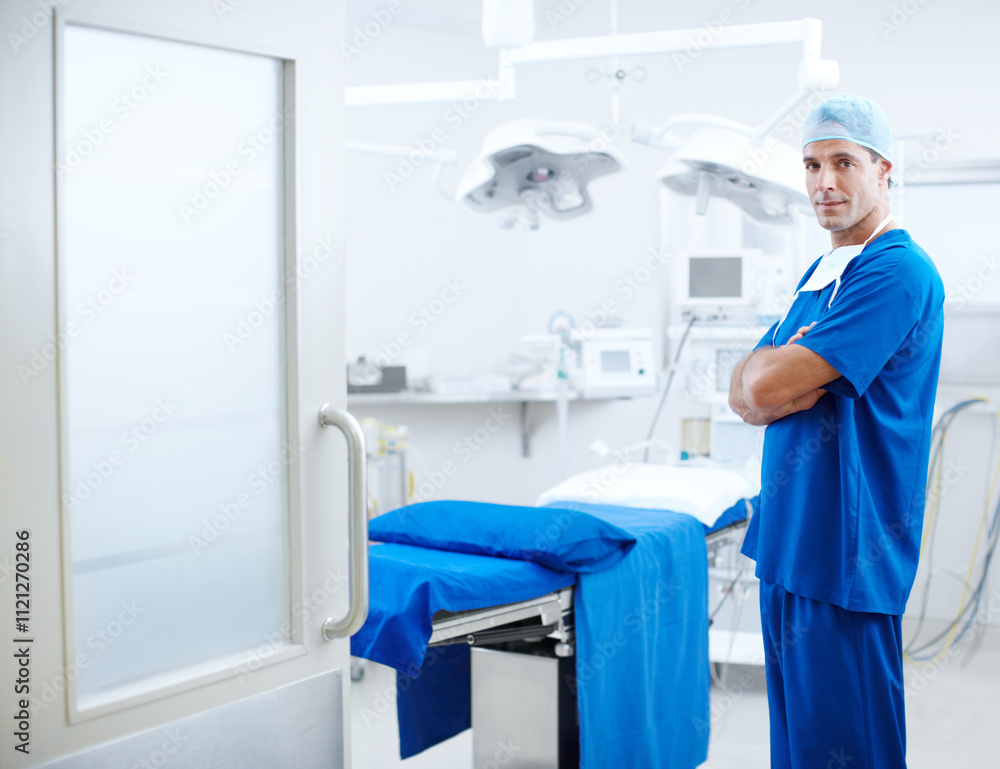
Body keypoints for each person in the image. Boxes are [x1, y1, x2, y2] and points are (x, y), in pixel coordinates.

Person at [728, 93, 945, 769]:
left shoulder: (896, 270)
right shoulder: (821, 274)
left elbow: (765, 386)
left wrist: (773, 376)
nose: (825, 181)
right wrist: (775, 377)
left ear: (883, 170)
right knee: (798, 751)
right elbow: (744, 391)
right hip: (789, 545)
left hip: (845, 555)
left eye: (844, 162)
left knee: (850, 751)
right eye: (812, 164)